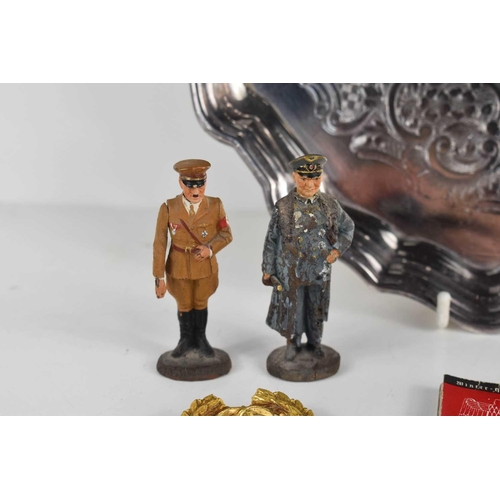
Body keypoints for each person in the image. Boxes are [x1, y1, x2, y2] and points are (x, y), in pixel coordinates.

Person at [262, 154, 354, 361]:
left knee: (316, 307)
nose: (310, 184)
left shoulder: (330, 205)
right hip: (290, 270)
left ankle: (315, 342)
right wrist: (268, 269)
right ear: (294, 177)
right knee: (292, 308)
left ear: (321, 178)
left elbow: (348, 227)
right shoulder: (283, 207)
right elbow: (271, 240)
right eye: (304, 179)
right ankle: (292, 344)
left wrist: (336, 250)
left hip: (319, 269)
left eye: (315, 178)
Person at [153, 159, 232, 358]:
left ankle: (201, 338)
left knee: (201, 301)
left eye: (200, 184)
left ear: (205, 182)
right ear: (181, 183)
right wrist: (158, 277)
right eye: (189, 185)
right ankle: (185, 339)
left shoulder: (215, 205)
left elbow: (226, 234)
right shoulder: (169, 207)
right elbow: (160, 243)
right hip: (178, 267)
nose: (195, 191)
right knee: (184, 303)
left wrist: (210, 249)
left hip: (204, 266)